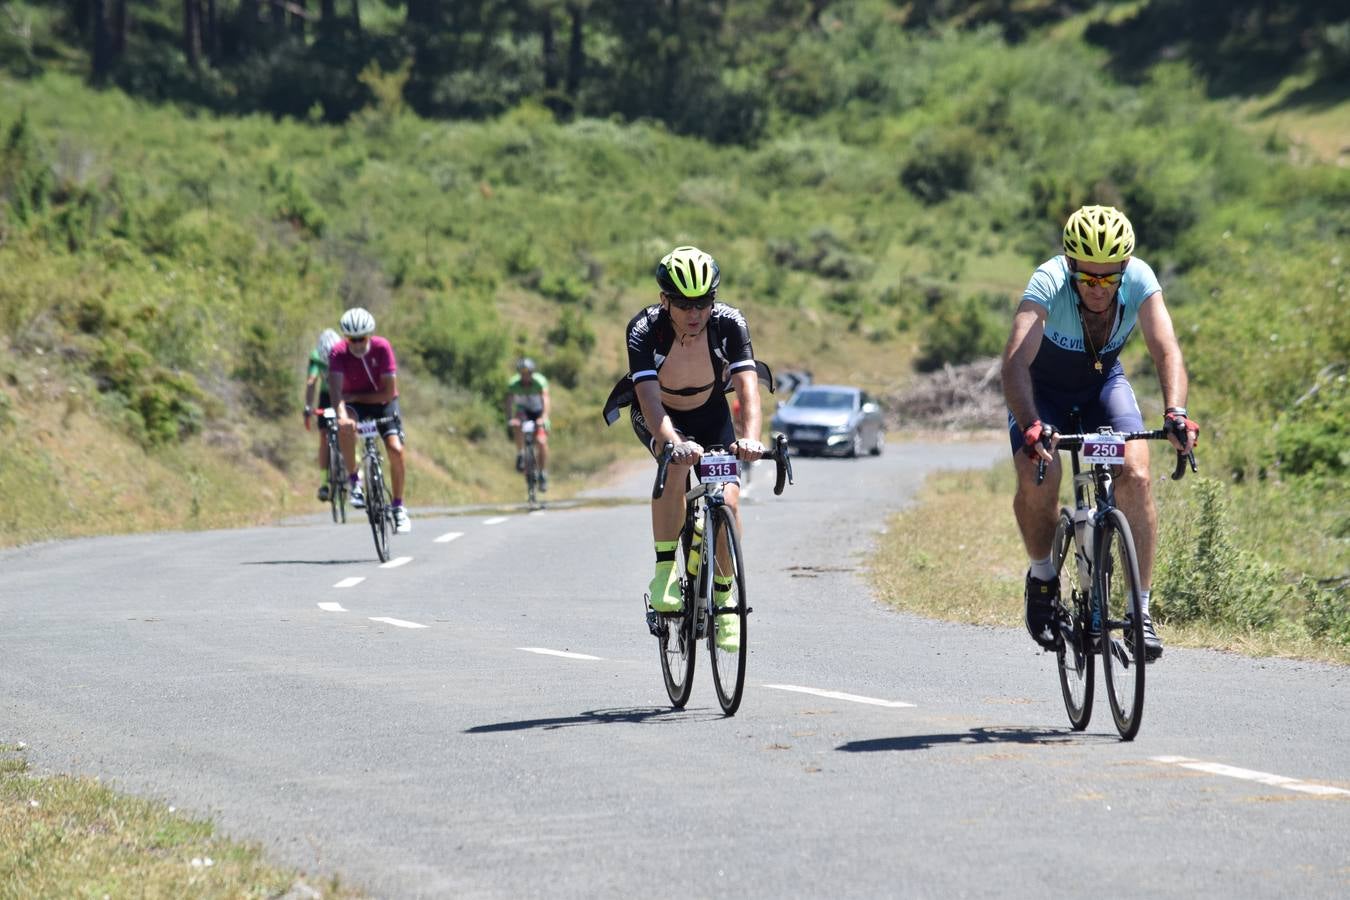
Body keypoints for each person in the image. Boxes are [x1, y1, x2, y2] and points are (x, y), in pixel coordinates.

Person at [1001, 205, 1199, 661]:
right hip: (1041, 394)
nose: (1097, 288)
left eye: (1108, 279)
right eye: (1087, 278)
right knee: (1040, 478)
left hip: (1102, 388)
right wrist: (1031, 424)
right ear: (1070, 267)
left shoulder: (1141, 280)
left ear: (1124, 268)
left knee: (1137, 475)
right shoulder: (1047, 282)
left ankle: (1139, 611)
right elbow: (1014, 362)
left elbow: (1166, 349)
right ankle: (1043, 576)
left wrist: (1176, 412)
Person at [601, 246, 774, 652]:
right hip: (660, 414)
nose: (695, 314)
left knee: (729, 500)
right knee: (676, 466)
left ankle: (724, 594)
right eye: (683, 304)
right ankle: (664, 571)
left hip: (710, 411)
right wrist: (673, 444)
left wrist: (749, 438)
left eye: (703, 303)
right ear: (665, 301)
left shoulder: (729, 323)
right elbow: (648, 399)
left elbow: (748, 389)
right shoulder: (644, 330)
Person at [328, 307, 412, 535]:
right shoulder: (337, 353)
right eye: (352, 339)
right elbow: (336, 393)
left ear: (370, 335)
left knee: (395, 450)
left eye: (361, 338)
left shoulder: (382, 348)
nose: (356, 344)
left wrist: (353, 397)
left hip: (383, 403)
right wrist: (342, 416)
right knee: (344, 427)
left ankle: (398, 507)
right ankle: (354, 479)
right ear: (346, 338)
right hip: (355, 404)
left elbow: (387, 393)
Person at [303, 328, 343, 502]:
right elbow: (311, 382)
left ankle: (355, 467)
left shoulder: (344, 353)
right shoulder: (316, 356)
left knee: (348, 427)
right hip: (326, 396)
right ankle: (324, 483)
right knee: (324, 437)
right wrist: (308, 407)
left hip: (344, 393)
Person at [505, 357, 551, 491]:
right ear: (519, 373)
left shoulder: (539, 382)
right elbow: (509, 402)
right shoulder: (514, 383)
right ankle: (520, 453)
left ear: (532, 372)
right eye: (522, 374)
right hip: (523, 412)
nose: (525, 376)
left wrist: (544, 417)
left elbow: (546, 400)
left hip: (538, 413)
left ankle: (542, 473)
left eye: (528, 373)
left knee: (541, 442)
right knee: (517, 423)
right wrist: (509, 418)